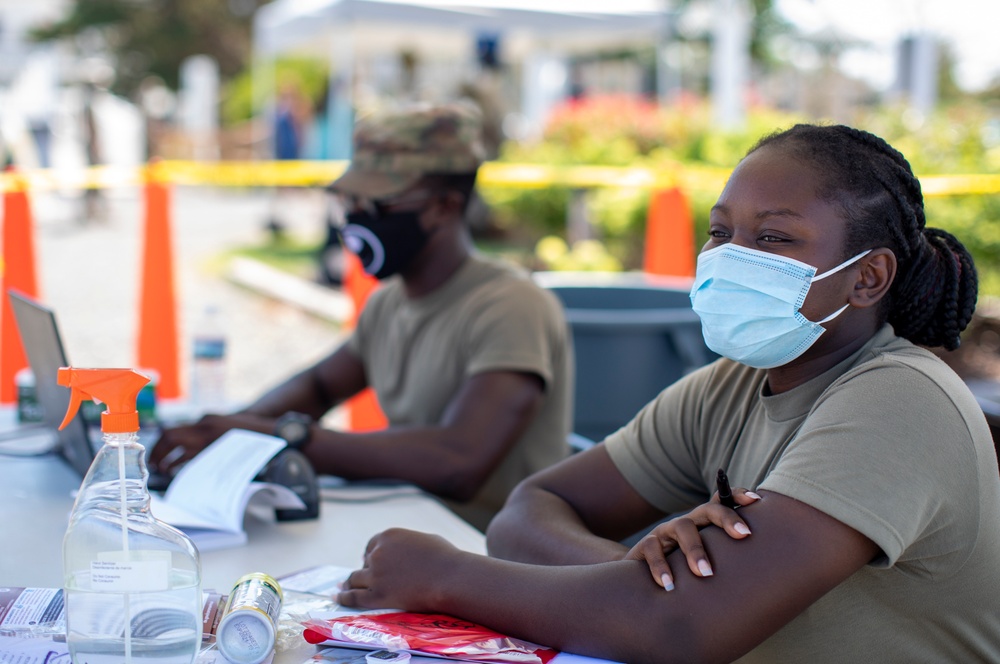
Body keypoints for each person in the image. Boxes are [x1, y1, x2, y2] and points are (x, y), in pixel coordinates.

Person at [334, 124, 1000, 662]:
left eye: (772, 238)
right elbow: (530, 509)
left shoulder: (900, 401)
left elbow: (680, 631)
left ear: (868, 277)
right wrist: (637, 576)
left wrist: (444, 576)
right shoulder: (729, 387)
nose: (731, 255)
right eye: (719, 232)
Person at [151, 102, 573, 531]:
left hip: (495, 555)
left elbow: (458, 462)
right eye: (349, 199)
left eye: (377, 203)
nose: (355, 216)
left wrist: (278, 438)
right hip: (420, 528)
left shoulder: (511, 306)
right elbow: (317, 387)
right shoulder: (390, 302)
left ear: (444, 206)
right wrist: (225, 436)